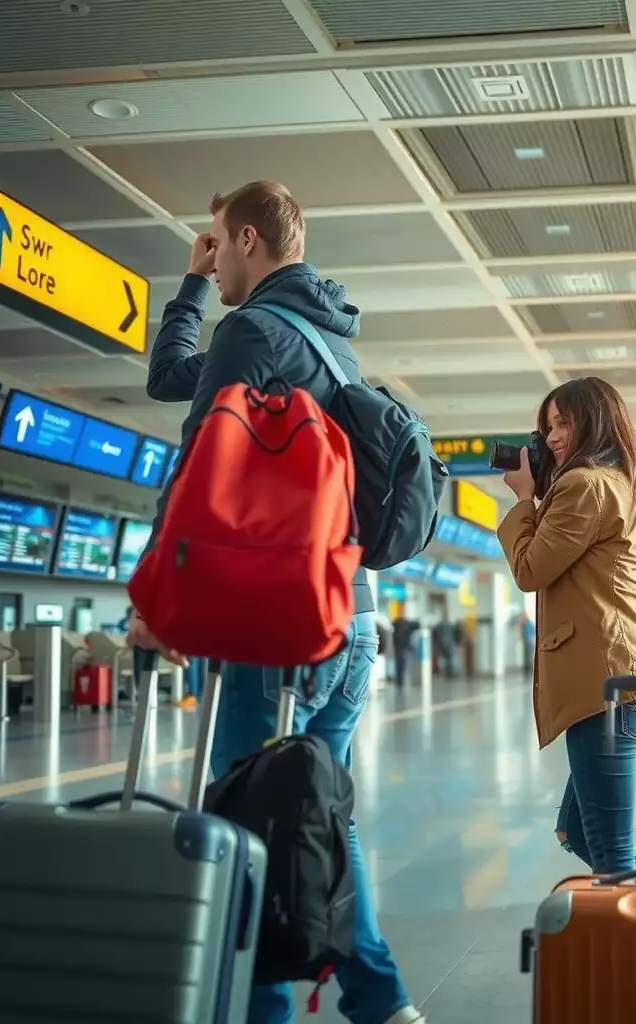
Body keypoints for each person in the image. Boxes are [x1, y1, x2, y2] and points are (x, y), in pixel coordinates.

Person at [127, 180, 425, 1024]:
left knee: (250, 811)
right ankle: (383, 1001)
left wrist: (156, 593)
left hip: (281, 617)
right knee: (322, 807)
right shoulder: (332, 342)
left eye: (216, 247)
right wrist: (192, 284)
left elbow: (196, 462)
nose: (212, 261)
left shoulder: (252, 329)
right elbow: (176, 378)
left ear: (249, 240)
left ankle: (261, 1013)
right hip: (351, 613)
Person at [497, 376, 636, 874]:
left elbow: (530, 570)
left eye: (564, 423)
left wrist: (522, 501)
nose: (552, 437)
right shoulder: (623, 485)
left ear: (594, 422)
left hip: (611, 693)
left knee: (612, 855)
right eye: (548, 425)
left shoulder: (584, 484)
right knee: (577, 832)